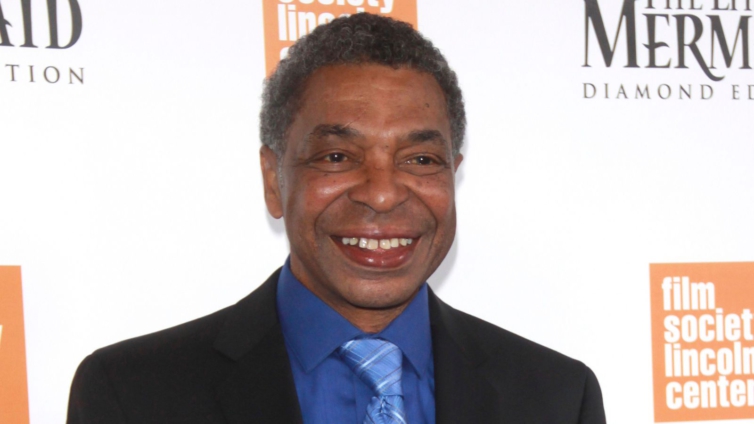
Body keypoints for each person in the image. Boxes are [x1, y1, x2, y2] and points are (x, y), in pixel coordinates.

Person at [67, 13, 606, 424]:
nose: (382, 194)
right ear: (273, 180)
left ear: (453, 175)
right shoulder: (133, 394)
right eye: (337, 157)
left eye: (420, 160)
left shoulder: (557, 397)